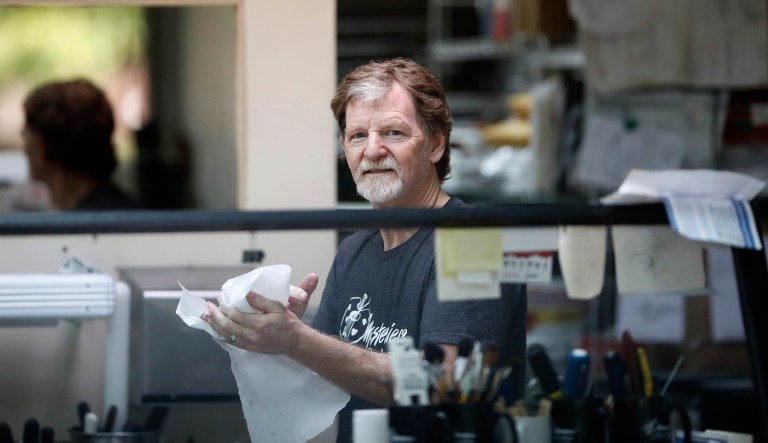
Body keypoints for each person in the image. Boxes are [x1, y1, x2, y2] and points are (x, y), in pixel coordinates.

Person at [204, 57, 526, 442]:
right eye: (357, 136)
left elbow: (439, 385)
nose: (372, 151)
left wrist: (296, 339)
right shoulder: (355, 250)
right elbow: (330, 372)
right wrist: (282, 332)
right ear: (344, 147)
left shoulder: (473, 244)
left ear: (437, 144)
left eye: (392, 133)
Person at [22, 78, 142, 211]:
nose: (24, 149)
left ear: (40, 146)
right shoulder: (134, 214)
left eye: (25, 138)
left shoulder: (79, 227)